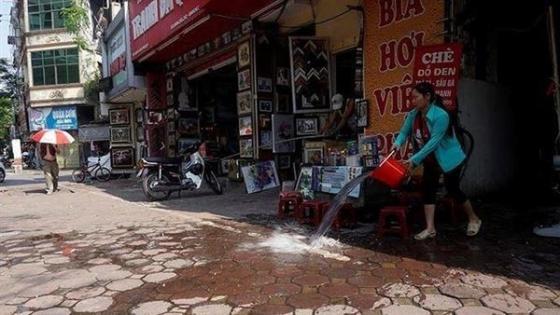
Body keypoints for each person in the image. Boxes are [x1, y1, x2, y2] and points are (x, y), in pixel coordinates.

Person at [392, 82, 482, 240]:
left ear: (427, 97)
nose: (412, 101)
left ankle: (474, 218)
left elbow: (433, 143)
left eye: (415, 97)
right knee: (428, 189)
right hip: (431, 159)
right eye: (411, 98)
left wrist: (414, 159)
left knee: (453, 188)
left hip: (450, 159)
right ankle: (430, 228)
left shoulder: (441, 115)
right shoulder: (413, 114)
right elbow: (404, 132)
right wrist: (397, 144)